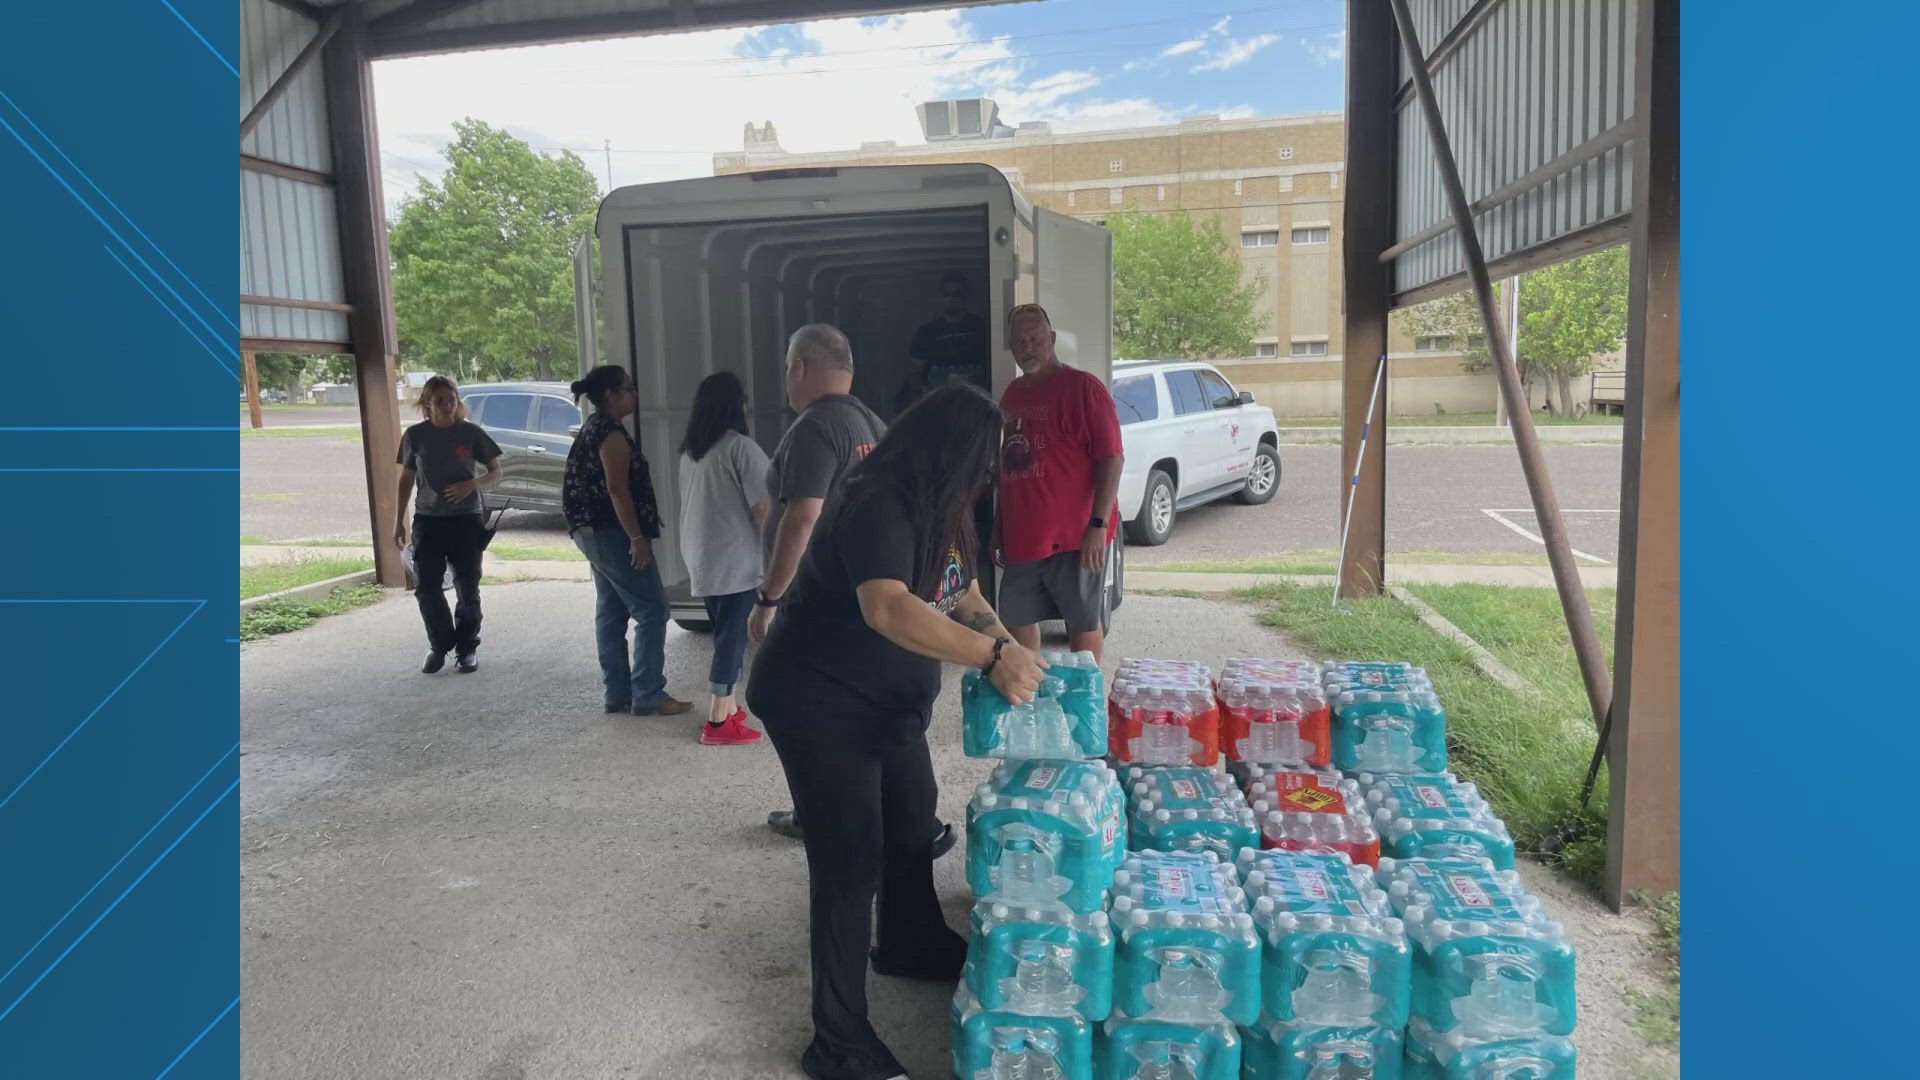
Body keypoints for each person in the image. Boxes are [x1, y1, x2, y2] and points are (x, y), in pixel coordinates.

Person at [746, 385, 1048, 1080]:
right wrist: (993, 658)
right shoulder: (877, 500)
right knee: (849, 859)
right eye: (980, 465)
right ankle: (838, 1043)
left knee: (912, 824)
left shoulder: (944, 503)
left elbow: (960, 590)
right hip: (820, 703)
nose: (986, 480)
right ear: (945, 455)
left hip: (886, 705)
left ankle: (909, 943)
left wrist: (1007, 642)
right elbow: (887, 607)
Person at [995, 303, 1126, 662]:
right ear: (1011, 345)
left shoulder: (1083, 389)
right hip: (1024, 537)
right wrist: (1000, 528)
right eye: (1019, 340)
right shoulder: (1012, 394)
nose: (1028, 347)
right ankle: (1032, 691)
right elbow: (1007, 468)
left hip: (1076, 537)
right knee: (1016, 617)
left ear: (1051, 339)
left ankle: (1085, 698)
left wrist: (1098, 526)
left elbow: (1112, 458)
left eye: (1035, 338)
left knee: (1081, 621)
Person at [563, 365, 692, 716]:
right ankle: (648, 692)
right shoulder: (610, 433)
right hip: (611, 532)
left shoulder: (595, 427)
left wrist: (647, 514)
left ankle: (617, 693)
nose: (635, 394)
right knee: (653, 609)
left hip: (592, 530)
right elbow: (616, 488)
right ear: (610, 395)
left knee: (612, 610)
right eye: (628, 388)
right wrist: (637, 537)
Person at [676, 371, 770, 746]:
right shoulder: (740, 448)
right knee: (731, 641)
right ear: (736, 406)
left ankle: (728, 708)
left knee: (724, 634)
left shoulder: (691, 451)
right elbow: (765, 509)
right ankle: (718, 721)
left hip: (703, 557)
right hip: (736, 562)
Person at [393, 374, 502, 674]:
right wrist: (398, 521)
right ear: (426, 404)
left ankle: (467, 648)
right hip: (428, 521)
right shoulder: (415, 436)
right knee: (426, 587)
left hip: (466, 521)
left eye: (450, 399)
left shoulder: (471, 434)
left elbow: (495, 472)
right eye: (438, 400)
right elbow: (406, 478)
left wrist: (472, 484)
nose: (445, 405)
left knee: (467, 587)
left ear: (457, 402)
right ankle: (439, 644)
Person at [889, 269, 989, 419]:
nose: (951, 298)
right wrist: (924, 393)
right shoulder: (927, 332)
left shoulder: (981, 328)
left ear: (965, 296)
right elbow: (914, 370)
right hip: (938, 406)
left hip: (976, 406)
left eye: (957, 294)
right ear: (941, 297)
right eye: (947, 294)